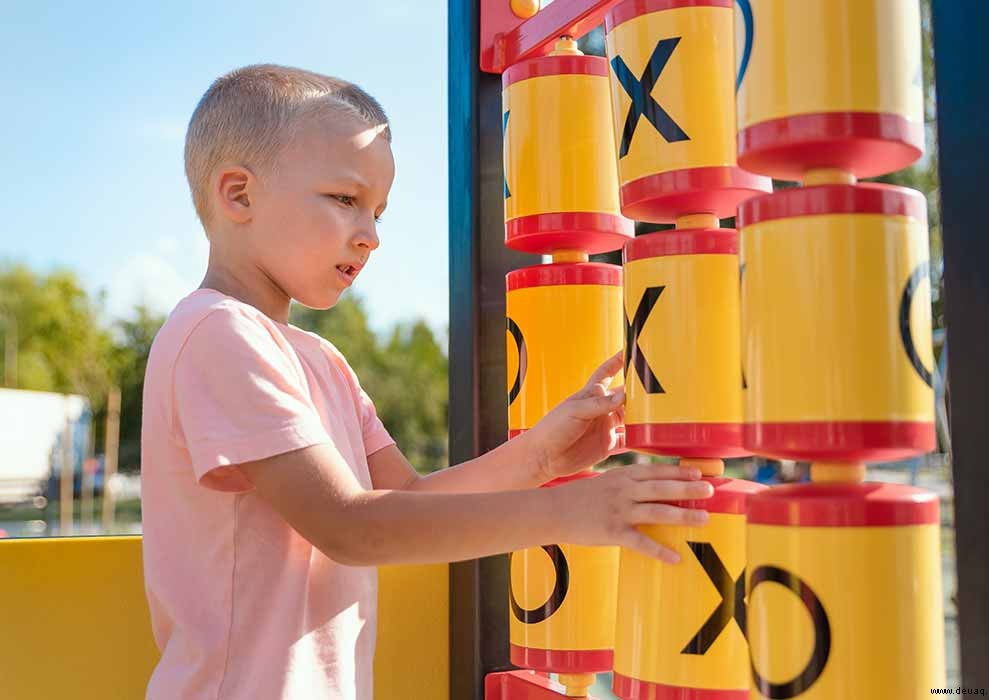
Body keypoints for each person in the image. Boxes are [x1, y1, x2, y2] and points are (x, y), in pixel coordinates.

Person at [140, 64, 712, 700]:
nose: (372, 235)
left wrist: (540, 456)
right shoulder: (215, 333)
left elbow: (409, 497)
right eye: (345, 199)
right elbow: (348, 527)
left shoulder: (321, 360)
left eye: (379, 211)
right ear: (239, 195)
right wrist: (565, 512)